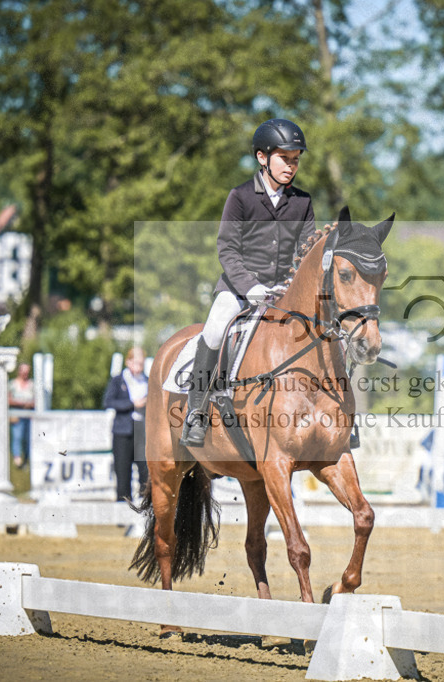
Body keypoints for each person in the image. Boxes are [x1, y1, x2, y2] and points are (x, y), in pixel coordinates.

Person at [180, 118, 315, 447]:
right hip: (240, 290)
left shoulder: (302, 202)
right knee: (214, 330)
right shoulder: (240, 197)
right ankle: (197, 411)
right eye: (284, 158)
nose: (291, 166)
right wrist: (250, 286)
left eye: (296, 159)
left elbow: (307, 250)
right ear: (262, 157)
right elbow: (227, 248)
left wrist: (291, 285)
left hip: (283, 292)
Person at [104, 347, 149, 502]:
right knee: (123, 474)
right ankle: (123, 508)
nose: (138, 367)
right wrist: (132, 404)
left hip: (142, 431)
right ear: (128, 362)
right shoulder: (118, 380)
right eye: (136, 363)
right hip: (123, 432)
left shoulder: (147, 381)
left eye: (141, 364)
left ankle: (145, 507)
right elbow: (108, 402)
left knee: (146, 473)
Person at [8, 363, 35, 468]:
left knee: (28, 437)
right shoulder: (12, 384)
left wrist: (30, 404)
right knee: (17, 436)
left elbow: (37, 400)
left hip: (29, 414)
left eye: (27, 372)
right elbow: (8, 399)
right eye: (23, 372)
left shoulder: (32, 384)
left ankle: (27, 459)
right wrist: (21, 403)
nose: (25, 374)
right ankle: (17, 458)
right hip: (16, 413)